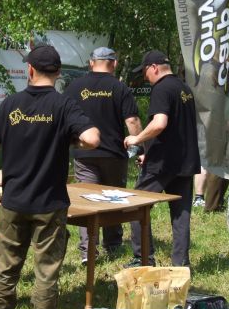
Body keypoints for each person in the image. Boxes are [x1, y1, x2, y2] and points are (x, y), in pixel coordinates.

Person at [0, 45, 99, 309]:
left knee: (5, 266)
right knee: (46, 270)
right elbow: (92, 138)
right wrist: (71, 139)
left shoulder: (11, 104)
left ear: (30, 70)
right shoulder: (63, 105)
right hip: (50, 204)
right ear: (58, 73)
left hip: (14, 202)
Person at [63, 46, 142, 264]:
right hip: (114, 154)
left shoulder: (74, 87)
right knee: (113, 198)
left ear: (91, 63)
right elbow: (132, 121)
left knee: (87, 200)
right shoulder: (119, 87)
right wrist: (141, 147)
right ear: (114, 64)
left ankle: (88, 251)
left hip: (84, 152)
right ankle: (113, 244)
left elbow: (63, 117)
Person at [123, 50, 200, 267]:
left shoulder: (161, 88)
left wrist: (137, 138)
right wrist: (149, 152)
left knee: (137, 205)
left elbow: (160, 123)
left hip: (163, 163)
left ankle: (143, 259)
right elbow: (176, 129)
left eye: (145, 72)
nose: (145, 77)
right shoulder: (184, 88)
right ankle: (181, 265)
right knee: (181, 216)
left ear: (154, 68)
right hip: (185, 161)